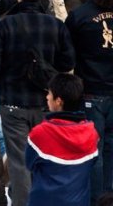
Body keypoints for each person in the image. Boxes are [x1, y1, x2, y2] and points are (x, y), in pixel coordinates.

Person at [0, 0, 75, 206]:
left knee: (19, 162)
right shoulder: (56, 26)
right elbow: (68, 62)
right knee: (45, 158)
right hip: (47, 102)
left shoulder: (4, 26)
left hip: (13, 102)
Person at [65, 0, 113, 196]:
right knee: (111, 150)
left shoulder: (79, 16)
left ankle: (95, 199)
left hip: (91, 93)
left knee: (94, 150)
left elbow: (67, 57)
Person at [27, 73, 99, 206]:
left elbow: (29, 164)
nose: (47, 97)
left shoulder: (39, 133)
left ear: (58, 101)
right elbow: (93, 163)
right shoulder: (92, 134)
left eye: (49, 93)